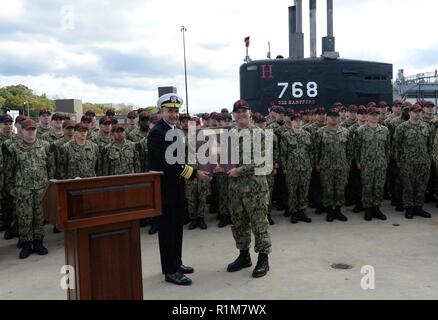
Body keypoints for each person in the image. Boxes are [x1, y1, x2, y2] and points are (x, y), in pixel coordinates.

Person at [147, 93, 211, 286]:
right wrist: (194, 173)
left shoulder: (173, 130)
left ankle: (177, 263)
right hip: (164, 187)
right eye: (170, 111)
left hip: (175, 186)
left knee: (176, 227)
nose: (174, 115)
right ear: (162, 111)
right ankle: (170, 270)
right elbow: (169, 163)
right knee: (167, 230)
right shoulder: (158, 132)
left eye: (176, 111)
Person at [226, 99, 272, 278]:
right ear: (234, 115)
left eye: (243, 111)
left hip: (256, 189)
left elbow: (262, 160)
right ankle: (244, 256)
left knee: (259, 224)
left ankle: (263, 259)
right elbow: (222, 157)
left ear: (250, 113)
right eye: (237, 112)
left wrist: (240, 170)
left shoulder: (261, 134)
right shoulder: (229, 134)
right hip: (235, 188)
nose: (240, 114)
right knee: (239, 223)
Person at [7, 120, 55, 259]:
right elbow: (10, 169)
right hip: (23, 188)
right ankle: (27, 244)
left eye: (33, 129)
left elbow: (50, 166)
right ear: (21, 130)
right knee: (24, 217)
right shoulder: (14, 148)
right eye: (28, 129)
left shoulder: (45, 146)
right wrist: (11, 186)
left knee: (39, 217)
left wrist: (50, 185)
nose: (31, 132)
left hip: (41, 188)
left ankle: (38, 242)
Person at [314, 107, 353, 222]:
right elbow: (316, 150)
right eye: (331, 117)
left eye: (336, 117)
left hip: (342, 166)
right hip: (326, 167)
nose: (334, 119)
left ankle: (338, 210)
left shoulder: (345, 131)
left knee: (340, 189)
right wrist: (317, 163)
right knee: (328, 189)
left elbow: (349, 150)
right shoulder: (320, 132)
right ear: (327, 118)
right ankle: (330, 211)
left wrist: (348, 163)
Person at [394, 104, 433, 219]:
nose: (417, 113)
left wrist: (429, 159)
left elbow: (429, 144)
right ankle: (409, 208)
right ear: (410, 113)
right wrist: (398, 161)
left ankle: (419, 207)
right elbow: (396, 145)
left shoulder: (425, 127)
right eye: (415, 111)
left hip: (423, 162)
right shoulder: (402, 127)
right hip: (408, 163)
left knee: (421, 186)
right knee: (408, 187)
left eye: (419, 111)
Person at [355, 107, 390, 221]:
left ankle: (376, 208)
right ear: (368, 116)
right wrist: (358, 162)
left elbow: (387, 148)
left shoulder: (384, 130)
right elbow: (356, 148)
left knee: (379, 187)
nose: (375, 116)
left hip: (381, 164)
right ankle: (368, 209)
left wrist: (386, 161)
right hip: (367, 165)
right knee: (367, 187)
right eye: (372, 114)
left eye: (376, 114)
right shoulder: (361, 130)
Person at [281, 112, 313, 224]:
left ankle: (302, 212)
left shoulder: (307, 135)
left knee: (304, 190)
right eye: (295, 121)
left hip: (305, 168)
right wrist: (284, 168)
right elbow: (283, 154)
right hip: (291, 168)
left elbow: (311, 152)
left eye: (299, 121)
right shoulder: (286, 135)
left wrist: (311, 166)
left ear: (302, 122)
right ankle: (294, 212)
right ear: (292, 122)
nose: (298, 122)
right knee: (292, 191)